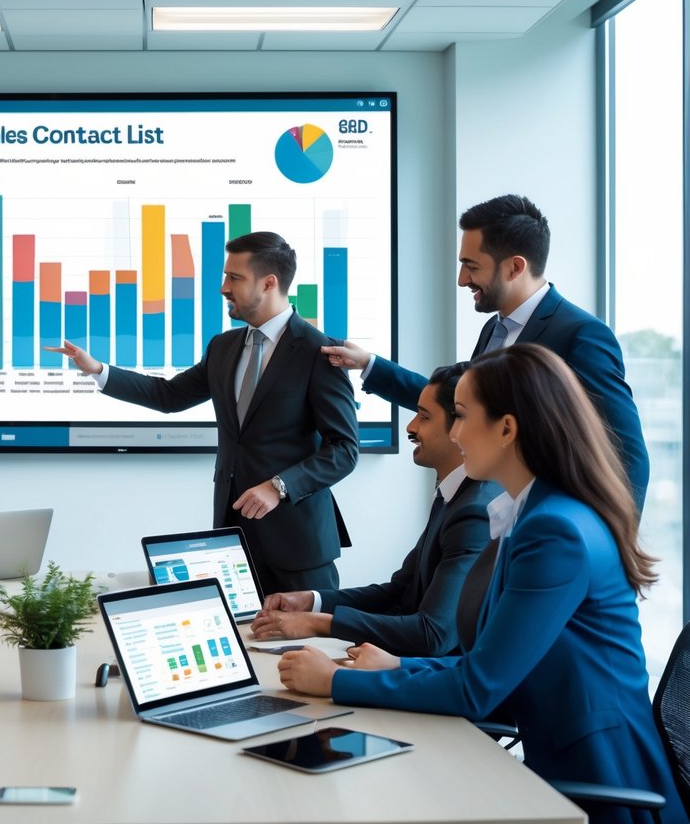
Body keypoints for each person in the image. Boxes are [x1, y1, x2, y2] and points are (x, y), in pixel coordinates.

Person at [278, 344, 684, 824]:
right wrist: (395, 665)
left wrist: (336, 681)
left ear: (507, 428)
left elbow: (477, 688)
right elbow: (489, 666)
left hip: (602, 785)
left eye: (463, 417)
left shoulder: (555, 531)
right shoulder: (534, 513)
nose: (454, 432)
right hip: (565, 764)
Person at [51, 231, 358, 591]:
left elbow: (344, 449)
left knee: (305, 645)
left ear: (269, 282)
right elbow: (168, 396)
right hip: (232, 540)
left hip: (298, 546)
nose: (223, 287)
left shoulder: (319, 352)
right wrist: (99, 371)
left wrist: (279, 487)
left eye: (234, 278)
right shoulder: (224, 347)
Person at [321, 194, 649, 511]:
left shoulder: (580, 335)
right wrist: (369, 364)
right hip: (492, 522)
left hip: (549, 528)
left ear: (515, 267)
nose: (462, 280)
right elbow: (456, 405)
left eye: (471, 266)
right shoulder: (493, 330)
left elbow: (628, 454)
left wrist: (615, 546)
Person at [250, 362, 492, 657]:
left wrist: (319, 624)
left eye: (424, 417)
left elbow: (434, 635)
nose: (411, 427)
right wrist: (312, 601)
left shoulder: (475, 511)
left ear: (462, 426)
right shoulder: (452, 496)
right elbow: (402, 592)